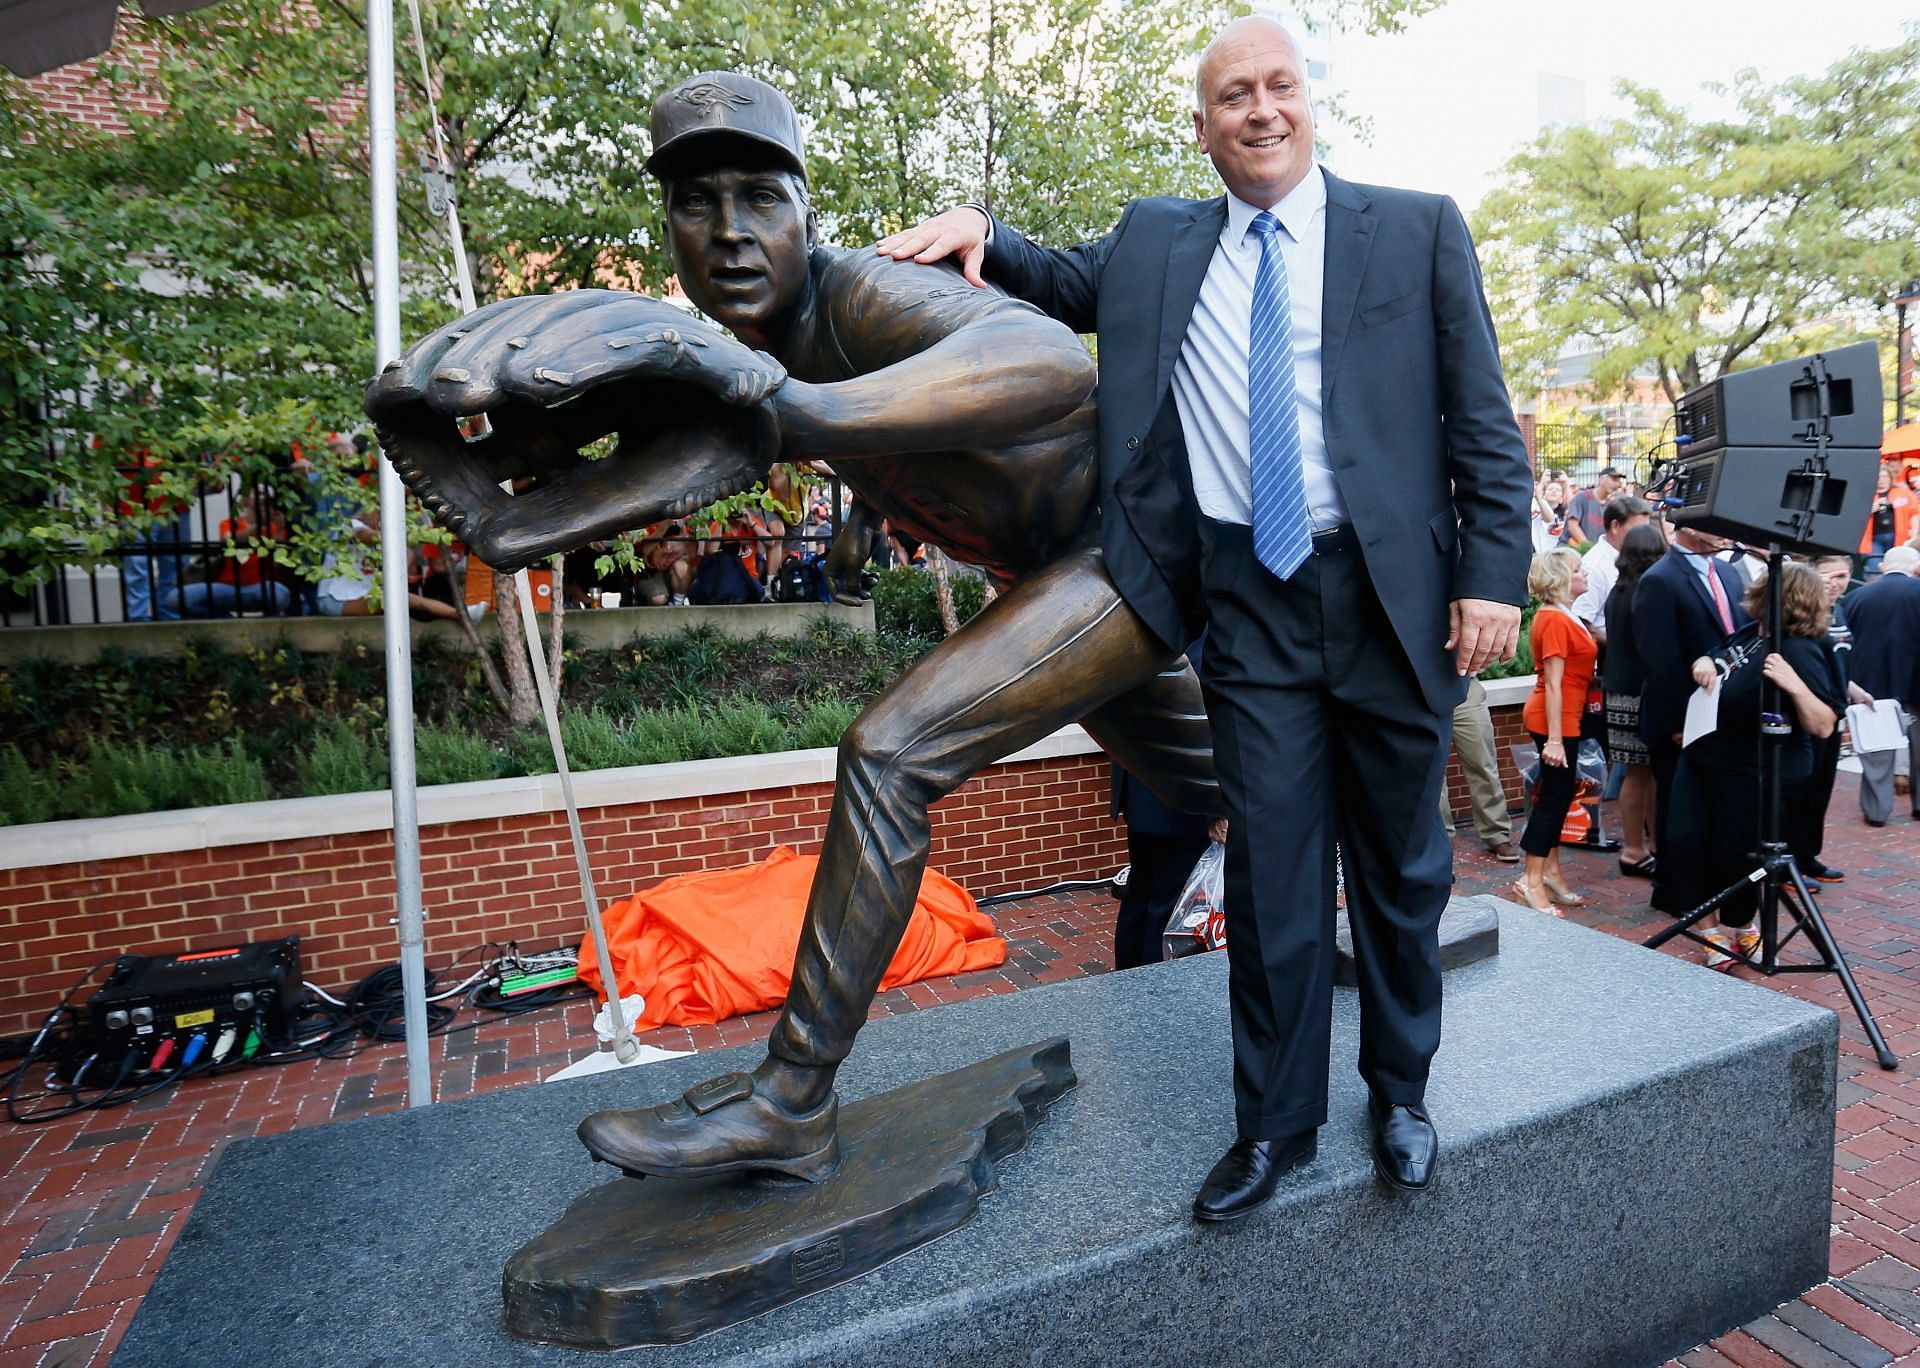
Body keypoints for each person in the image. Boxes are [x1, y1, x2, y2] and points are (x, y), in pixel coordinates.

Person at [370, 72, 1238, 1191]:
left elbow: (1047, 366)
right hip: (1059, 573)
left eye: (761, 197)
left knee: (889, 753)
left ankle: (789, 1101)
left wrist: (803, 418)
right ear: (669, 226)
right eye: (697, 202)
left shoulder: (862, 294)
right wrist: (502, 508)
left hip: (1127, 555)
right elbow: (800, 431)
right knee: (1240, 782)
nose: (731, 232)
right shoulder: (753, 349)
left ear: (807, 212)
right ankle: (1369, 920)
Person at [877, 14, 1531, 1212]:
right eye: (1234, 95)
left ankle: (1400, 1093)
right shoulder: (1158, 240)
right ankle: (1274, 1128)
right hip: (1249, 604)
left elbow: (1484, 423)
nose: (1260, 110)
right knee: (1270, 877)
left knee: (1400, 873)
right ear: (1205, 126)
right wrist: (982, 229)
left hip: (1393, 600)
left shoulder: (1417, 228)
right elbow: (1061, 279)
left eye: (1279, 86)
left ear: (1309, 102)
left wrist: (1494, 575)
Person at [1669, 563, 1842, 968]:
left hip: (1753, 773)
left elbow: (1822, 724)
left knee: (1737, 855)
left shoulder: (1797, 647)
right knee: (1691, 844)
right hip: (1707, 761)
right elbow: (1721, 653)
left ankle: (1743, 928)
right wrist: (1707, 661)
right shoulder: (1754, 633)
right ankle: (1710, 931)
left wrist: (1793, 683)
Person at [1633, 522, 1753, 911]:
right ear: (1686, 527)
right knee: (1677, 810)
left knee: (1714, 809)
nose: (1724, 533)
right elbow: (1659, 660)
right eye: (1714, 525)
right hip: (1681, 721)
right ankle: (1671, 890)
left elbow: (1740, 636)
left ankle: (1711, 885)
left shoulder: (1731, 573)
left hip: (1724, 718)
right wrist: (1676, 726)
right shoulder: (1660, 579)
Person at [1513, 548, 1597, 911]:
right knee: (1554, 800)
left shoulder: (1564, 615)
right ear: (1562, 577)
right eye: (1578, 570)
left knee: (1559, 797)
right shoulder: (1554, 620)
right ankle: (1530, 881)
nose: (1585, 574)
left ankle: (1550, 873)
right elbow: (1553, 684)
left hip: (1565, 719)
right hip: (1555, 722)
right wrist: (1556, 740)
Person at [1784, 554, 1864, 877]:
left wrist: (1853, 687)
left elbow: (1837, 658)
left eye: (1843, 576)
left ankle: (1807, 855)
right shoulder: (1803, 618)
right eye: (1829, 577)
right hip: (1809, 715)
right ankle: (1790, 859)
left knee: (1820, 788)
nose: (1836, 583)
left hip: (1835, 710)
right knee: (1801, 789)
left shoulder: (1839, 611)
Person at [1602, 524, 1667, 878]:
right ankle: (1636, 848)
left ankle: (1643, 846)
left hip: (1618, 690)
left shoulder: (1618, 590)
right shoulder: (1645, 590)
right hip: (1639, 691)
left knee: (1638, 773)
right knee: (1643, 773)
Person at [1841, 544, 1920, 827]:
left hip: (1872, 682)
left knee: (1877, 753)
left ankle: (1876, 811)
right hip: (1915, 681)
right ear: (1915, 569)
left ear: (1883, 566)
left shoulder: (1856, 596)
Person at [1439, 675, 1519, 861]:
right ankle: (1440, 838)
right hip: (1424, 691)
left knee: (1483, 764)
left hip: (1465, 685)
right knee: (1433, 774)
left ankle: (1498, 834)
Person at [1570, 495, 1652, 643]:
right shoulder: (1594, 567)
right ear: (1615, 526)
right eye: (1638, 530)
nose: (1644, 536)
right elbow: (1581, 621)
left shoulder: (1632, 557)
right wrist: (1620, 648)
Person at [1860, 467, 1914, 577]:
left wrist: (1913, 536)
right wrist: (1869, 511)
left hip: (1899, 538)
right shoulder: (1866, 494)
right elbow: (1854, 516)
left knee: (1899, 570)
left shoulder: (1903, 492)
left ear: (1890, 477)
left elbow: (1915, 514)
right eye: (1879, 477)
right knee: (1874, 570)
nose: (1882, 480)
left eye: (1885, 476)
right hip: (1872, 541)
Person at [1560, 467, 1623, 546]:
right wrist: (1589, 548)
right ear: (1602, 479)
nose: (1618, 484)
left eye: (1619, 481)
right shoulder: (1583, 497)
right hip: (1572, 550)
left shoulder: (1611, 506)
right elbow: (1572, 525)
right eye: (1614, 480)